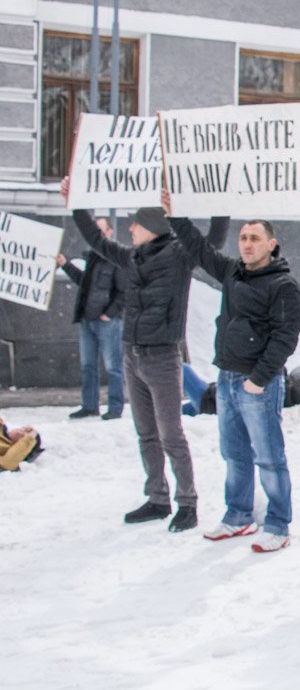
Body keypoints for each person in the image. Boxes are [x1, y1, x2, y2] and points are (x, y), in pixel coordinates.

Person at [62, 177, 229, 533]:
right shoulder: (132, 257)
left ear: (151, 227)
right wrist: (77, 203)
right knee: (146, 433)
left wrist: (218, 201)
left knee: (171, 433)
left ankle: (188, 502)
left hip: (162, 357)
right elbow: (96, 240)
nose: (131, 227)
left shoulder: (180, 255)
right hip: (132, 355)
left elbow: (212, 241)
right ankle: (157, 498)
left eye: (136, 222)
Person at [163, 194, 300, 553]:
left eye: (255, 238)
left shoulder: (283, 285)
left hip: (258, 383)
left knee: (269, 456)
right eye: (243, 238)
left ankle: (277, 523)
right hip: (226, 379)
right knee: (234, 453)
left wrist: (260, 378)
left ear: (271, 245)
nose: (247, 243)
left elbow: (285, 338)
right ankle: (239, 516)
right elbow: (197, 247)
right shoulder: (231, 272)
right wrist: (174, 213)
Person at [55, 216, 126, 420]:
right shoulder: (93, 257)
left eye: (102, 231)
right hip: (87, 318)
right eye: (96, 230)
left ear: (110, 233)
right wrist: (65, 264)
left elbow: (124, 292)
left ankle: (115, 407)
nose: (98, 235)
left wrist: (109, 314)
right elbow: (83, 282)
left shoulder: (117, 258)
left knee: (113, 367)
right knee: (87, 366)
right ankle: (89, 405)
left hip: (107, 321)